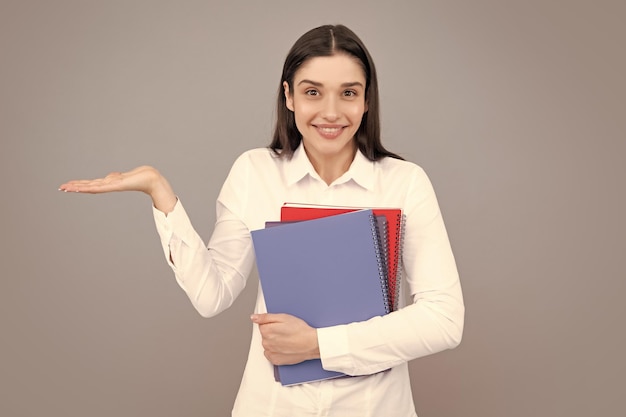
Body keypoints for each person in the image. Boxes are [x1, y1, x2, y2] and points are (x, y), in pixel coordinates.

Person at [59, 24, 464, 417]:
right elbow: (211, 295)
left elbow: (444, 319)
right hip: (272, 407)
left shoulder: (405, 183)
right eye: (312, 92)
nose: (331, 112)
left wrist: (319, 344)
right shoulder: (254, 173)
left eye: (348, 93)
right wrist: (159, 192)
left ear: (367, 100)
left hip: (375, 408)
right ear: (288, 96)